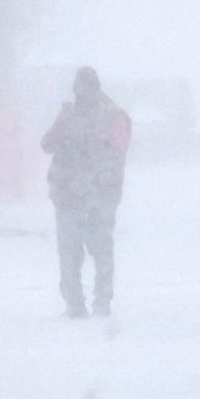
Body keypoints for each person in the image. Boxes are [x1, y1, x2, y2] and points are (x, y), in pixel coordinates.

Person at [41, 67, 131, 318]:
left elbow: (116, 152)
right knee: (71, 253)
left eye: (83, 87)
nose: (79, 93)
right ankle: (76, 303)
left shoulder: (114, 116)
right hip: (69, 194)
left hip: (97, 196)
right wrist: (64, 125)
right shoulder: (70, 115)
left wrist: (81, 134)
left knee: (98, 250)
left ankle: (100, 301)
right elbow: (47, 144)